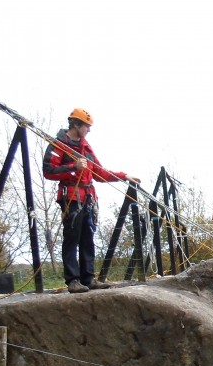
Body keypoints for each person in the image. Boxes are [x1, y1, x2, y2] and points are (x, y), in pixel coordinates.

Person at [43, 108, 140, 294]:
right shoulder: (59, 145)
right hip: (71, 197)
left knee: (88, 238)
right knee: (72, 237)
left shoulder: (85, 147)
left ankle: (88, 277)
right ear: (76, 125)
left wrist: (124, 176)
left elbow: (100, 173)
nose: (88, 131)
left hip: (87, 198)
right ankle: (73, 280)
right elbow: (48, 170)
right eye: (86, 127)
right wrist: (73, 166)